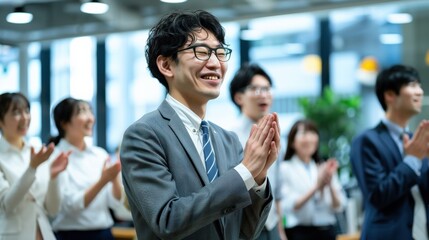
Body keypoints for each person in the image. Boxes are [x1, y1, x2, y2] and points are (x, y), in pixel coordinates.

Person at [120, 9, 281, 240]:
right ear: (166, 65)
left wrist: (258, 176)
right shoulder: (144, 135)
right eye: (202, 52)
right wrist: (244, 172)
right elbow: (168, 220)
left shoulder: (228, 140)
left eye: (220, 52)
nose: (216, 63)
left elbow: (245, 232)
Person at [350, 64, 429, 240]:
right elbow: (378, 195)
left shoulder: (417, 141)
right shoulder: (367, 141)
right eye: (412, 85)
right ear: (390, 95)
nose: (419, 92)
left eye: (420, 86)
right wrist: (413, 160)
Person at [48, 97, 123, 240]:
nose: (90, 118)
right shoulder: (56, 158)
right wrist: (103, 180)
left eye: (90, 111)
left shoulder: (99, 154)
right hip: (71, 235)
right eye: (82, 112)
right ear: (64, 123)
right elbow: (71, 206)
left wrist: (113, 180)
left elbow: (114, 203)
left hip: (104, 233)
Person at [229, 62, 287, 240]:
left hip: (272, 226)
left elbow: (276, 189)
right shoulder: (230, 136)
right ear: (239, 97)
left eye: (268, 88)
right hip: (244, 227)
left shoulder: (277, 136)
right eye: (256, 89)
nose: (264, 95)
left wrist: (281, 231)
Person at [0, 92, 69, 240]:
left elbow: (52, 209)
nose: (24, 118)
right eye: (16, 112)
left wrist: (54, 177)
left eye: (26, 111)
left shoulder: (36, 149)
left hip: (44, 234)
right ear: (1, 120)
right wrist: (32, 168)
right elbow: (8, 204)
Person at [280, 119, 347, 240]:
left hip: (327, 231)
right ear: (292, 142)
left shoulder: (324, 166)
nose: (309, 138)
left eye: (312, 133)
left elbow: (339, 205)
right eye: (304, 134)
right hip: (300, 232)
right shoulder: (285, 168)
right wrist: (317, 186)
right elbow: (290, 205)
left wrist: (329, 182)